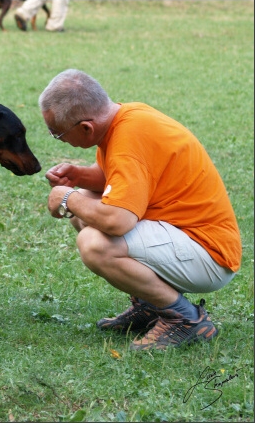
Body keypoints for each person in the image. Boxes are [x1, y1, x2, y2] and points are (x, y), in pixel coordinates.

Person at [39, 69, 242, 350]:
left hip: (209, 255)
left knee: (94, 242)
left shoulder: (129, 140)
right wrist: (80, 177)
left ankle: (185, 320)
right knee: (87, 203)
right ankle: (151, 306)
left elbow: (118, 221)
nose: (57, 138)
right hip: (188, 239)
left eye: (57, 133)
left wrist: (66, 198)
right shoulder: (127, 117)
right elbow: (123, 179)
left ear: (86, 127)